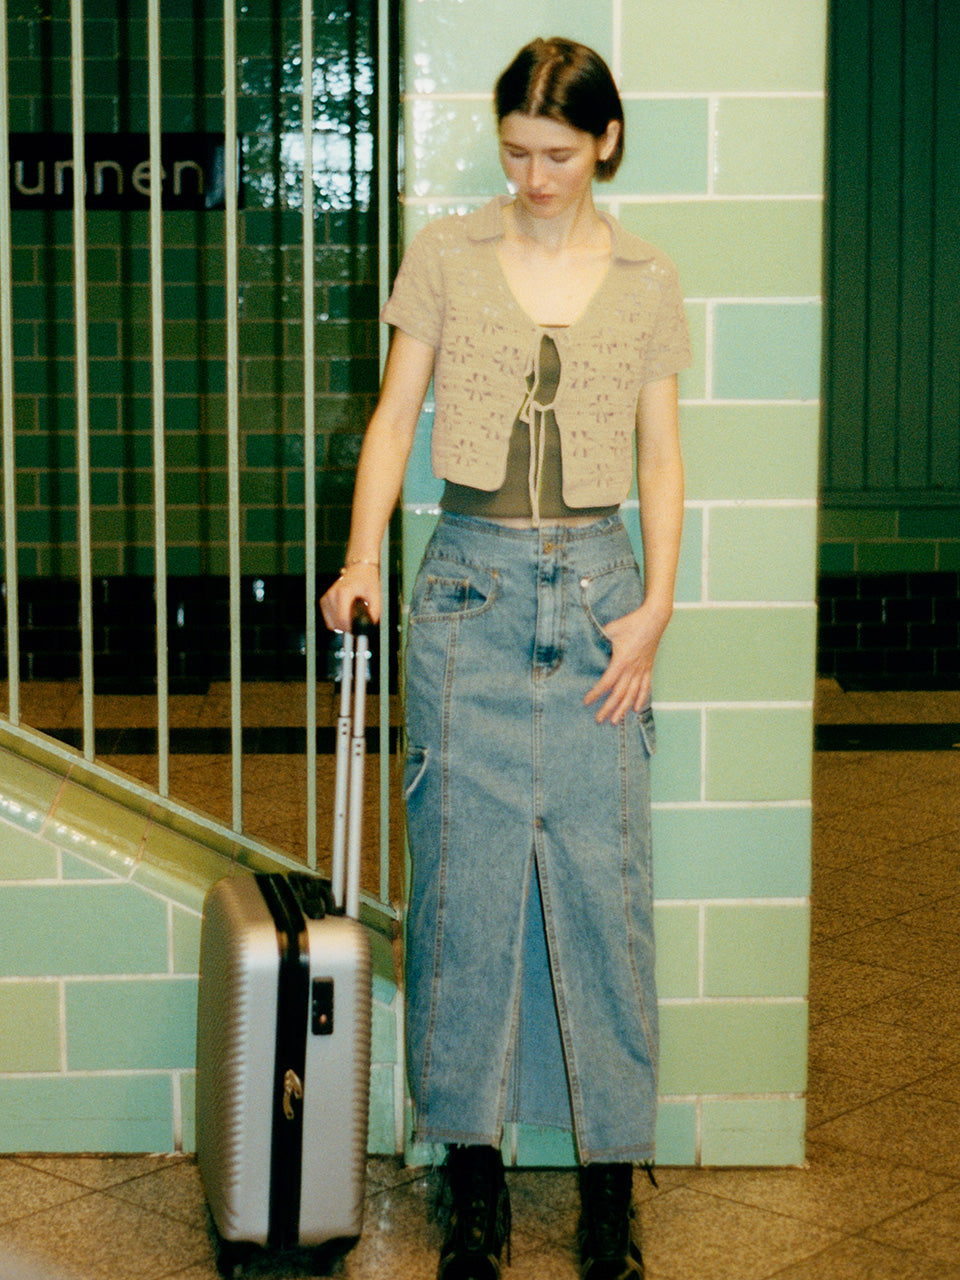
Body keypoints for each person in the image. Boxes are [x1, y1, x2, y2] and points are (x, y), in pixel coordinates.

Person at [321, 35, 690, 1280]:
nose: (535, 177)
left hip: (597, 598)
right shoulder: (447, 257)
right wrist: (364, 552)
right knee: (463, 897)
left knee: (604, 898)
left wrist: (658, 607)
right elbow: (393, 413)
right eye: (517, 152)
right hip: (468, 592)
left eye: (558, 153)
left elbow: (660, 459)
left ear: (606, 143)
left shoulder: (645, 278)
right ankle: (467, 1182)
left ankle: (605, 1194)